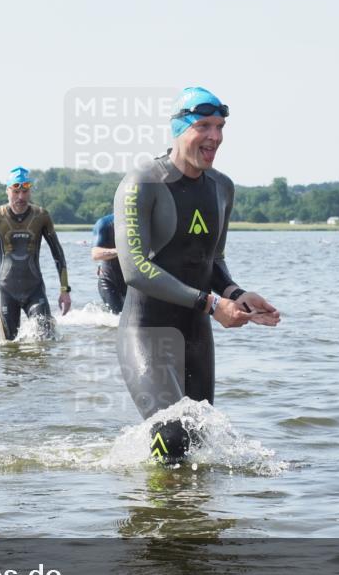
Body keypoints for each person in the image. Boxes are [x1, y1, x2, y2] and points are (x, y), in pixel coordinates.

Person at [114, 86, 280, 465]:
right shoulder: (143, 181)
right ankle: (157, 517)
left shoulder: (222, 187)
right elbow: (135, 269)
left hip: (196, 334)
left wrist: (235, 293)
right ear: (178, 128)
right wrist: (209, 302)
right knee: (171, 435)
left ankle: (189, 520)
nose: (215, 137)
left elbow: (212, 259)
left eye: (220, 127)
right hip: (148, 331)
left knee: (196, 441)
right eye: (204, 125)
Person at [0, 166, 71, 340]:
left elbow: (58, 254)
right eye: (16, 191)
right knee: (10, 346)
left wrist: (65, 290)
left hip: (35, 290)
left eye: (25, 191)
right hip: (6, 291)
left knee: (46, 339)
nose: (21, 197)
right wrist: (2, 252)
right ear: (7, 190)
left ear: (30, 191)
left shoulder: (41, 216)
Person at [90, 213, 127, 313]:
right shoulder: (105, 223)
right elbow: (95, 254)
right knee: (117, 317)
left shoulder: (144, 221)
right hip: (109, 281)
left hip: (134, 282)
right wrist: (122, 250)